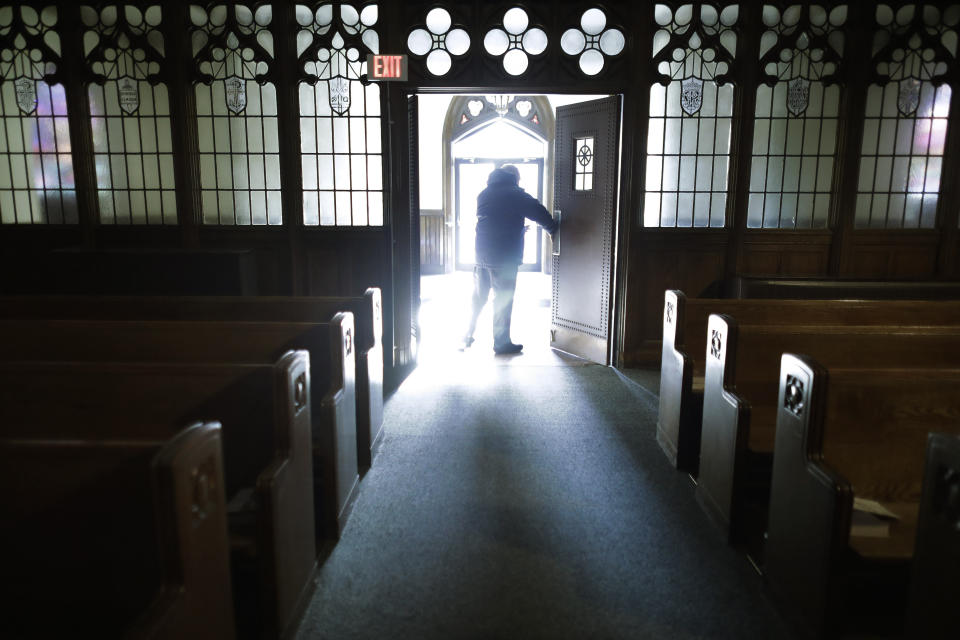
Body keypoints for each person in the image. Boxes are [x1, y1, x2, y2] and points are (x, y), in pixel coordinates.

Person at [461, 164, 559, 354]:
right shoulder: (514, 193)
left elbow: (496, 219)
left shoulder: (484, 193)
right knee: (503, 300)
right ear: (514, 177)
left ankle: (467, 333)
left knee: (478, 298)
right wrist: (552, 230)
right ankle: (501, 343)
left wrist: (518, 228)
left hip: (481, 256)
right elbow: (539, 212)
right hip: (503, 257)